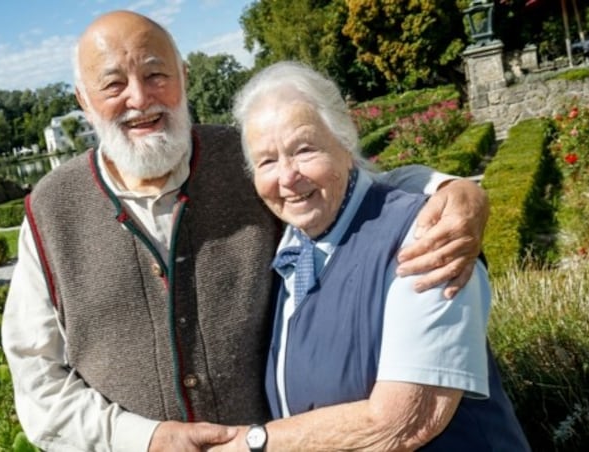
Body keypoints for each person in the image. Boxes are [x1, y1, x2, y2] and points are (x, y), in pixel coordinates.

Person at [1, 10, 490, 452]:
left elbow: (348, 179)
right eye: (112, 85)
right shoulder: (49, 212)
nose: (139, 98)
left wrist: (451, 191)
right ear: (83, 101)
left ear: (184, 77)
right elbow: (38, 380)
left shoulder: (251, 159)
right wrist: (143, 438)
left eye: (156, 75)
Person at [206, 61, 529, 451]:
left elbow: (404, 423)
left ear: (345, 142)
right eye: (267, 161)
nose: (287, 177)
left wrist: (252, 443)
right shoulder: (289, 246)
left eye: (304, 149)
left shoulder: (425, 235)